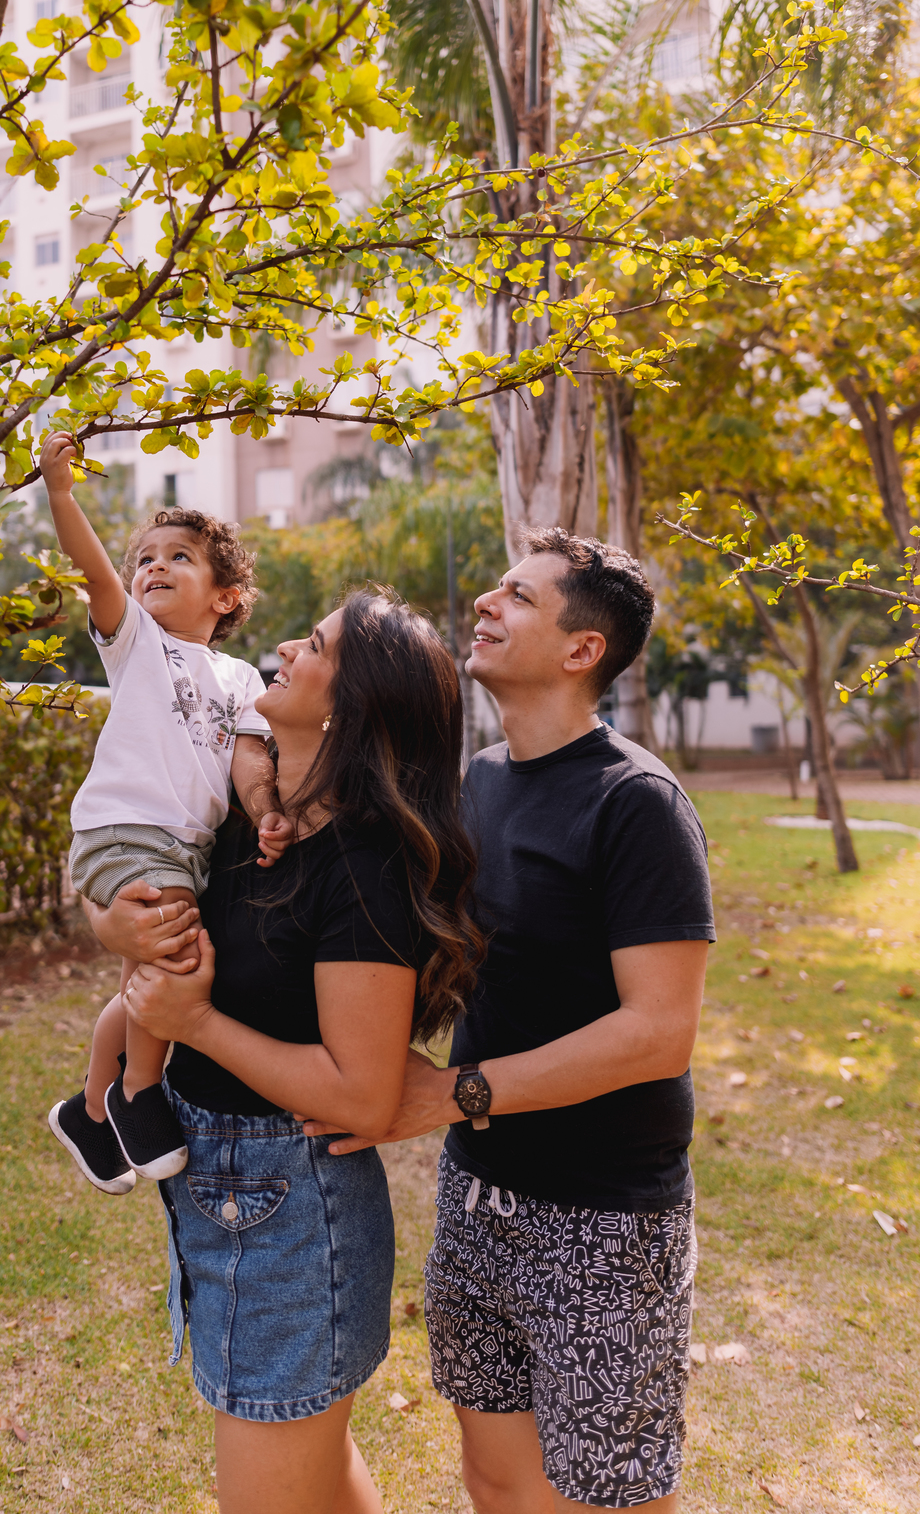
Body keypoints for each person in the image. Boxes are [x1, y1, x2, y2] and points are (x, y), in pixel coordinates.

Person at [306, 529, 715, 1513]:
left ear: (583, 650)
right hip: (481, 1200)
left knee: (606, 1493)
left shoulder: (638, 803)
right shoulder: (477, 782)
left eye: (520, 598)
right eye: (494, 589)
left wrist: (456, 1093)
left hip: (607, 1220)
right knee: (496, 1479)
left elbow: (658, 1031)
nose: (487, 605)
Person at [91, 590, 484, 1514]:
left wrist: (195, 1025)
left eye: (311, 645)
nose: (280, 646)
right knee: (319, 1475)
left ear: (347, 710)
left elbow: (360, 1095)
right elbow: (123, 880)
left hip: (293, 1217)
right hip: (227, 1195)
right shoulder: (241, 817)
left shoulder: (363, 865)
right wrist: (111, 921)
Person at [40, 430, 292, 1190]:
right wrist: (60, 492)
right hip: (127, 827)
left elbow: (250, 755)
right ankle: (139, 1093)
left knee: (143, 985)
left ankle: (87, 1111)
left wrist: (266, 808)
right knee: (177, 960)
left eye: (178, 556)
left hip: (188, 846)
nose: (154, 565)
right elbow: (91, 570)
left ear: (227, 598)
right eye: (145, 556)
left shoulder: (244, 674)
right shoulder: (137, 642)